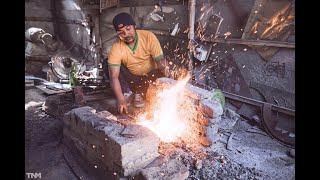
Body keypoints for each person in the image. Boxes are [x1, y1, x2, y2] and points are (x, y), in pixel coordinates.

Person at [107, 12, 169, 114]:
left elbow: (160, 60)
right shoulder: (116, 46)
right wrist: (120, 99)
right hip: (131, 78)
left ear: (134, 26)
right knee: (108, 64)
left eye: (128, 29)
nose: (126, 34)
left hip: (150, 77)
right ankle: (127, 92)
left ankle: (141, 92)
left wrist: (167, 72)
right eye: (121, 33)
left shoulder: (148, 36)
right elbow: (114, 76)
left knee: (161, 70)